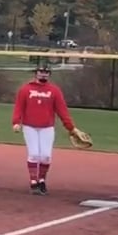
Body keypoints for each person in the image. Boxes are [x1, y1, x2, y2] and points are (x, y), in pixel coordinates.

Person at [12, 63, 80, 195]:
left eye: (46, 72)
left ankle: (42, 180)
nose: (43, 74)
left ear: (49, 75)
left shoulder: (54, 90)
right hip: (29, 126)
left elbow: (62, 110)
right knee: (34, 154)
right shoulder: (25, 89)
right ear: (36, 73)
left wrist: (71, 127)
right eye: (41, 72)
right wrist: (16, 122)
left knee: (46, 156)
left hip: (47, 127)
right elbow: (19, 107)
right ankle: (33, 181)